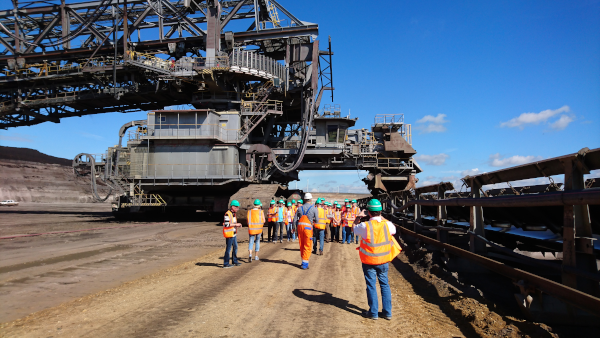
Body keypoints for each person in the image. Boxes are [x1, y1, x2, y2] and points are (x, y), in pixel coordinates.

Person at [354, 199, 398, 320]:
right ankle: (387, 313)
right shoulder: (388, 225)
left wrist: (358, 217)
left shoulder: (364, 225)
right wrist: (381, 217)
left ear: (368, 212)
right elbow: (393, 230)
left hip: (369, 261)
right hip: (383, 261)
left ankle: (373, 313)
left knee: (371, 285)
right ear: (380, 212)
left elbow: (354, 228)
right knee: (384, 285)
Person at [294, 193, 318, 269]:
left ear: (304, 199)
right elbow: (317, 220)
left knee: (302, 244)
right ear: (311, 199)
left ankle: (303, 261)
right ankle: (304, 264)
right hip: (308, 228)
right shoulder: (314, 208)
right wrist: (312, 220)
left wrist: (293, 228)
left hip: (300, 228)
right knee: (307, 245)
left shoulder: (299, 208)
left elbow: (294, 220)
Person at [223, 200, 243, 268]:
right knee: (228, 249)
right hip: (229, 235)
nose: (238, 208)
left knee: (235, 247)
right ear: (232, 207)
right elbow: (226, 224)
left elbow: (233, 223)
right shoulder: (227, 214)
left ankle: (234, 261)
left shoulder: (233, 214)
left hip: (233, 234)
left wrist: (237, 225)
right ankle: (226, 263)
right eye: (237, 207)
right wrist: (236, 224)